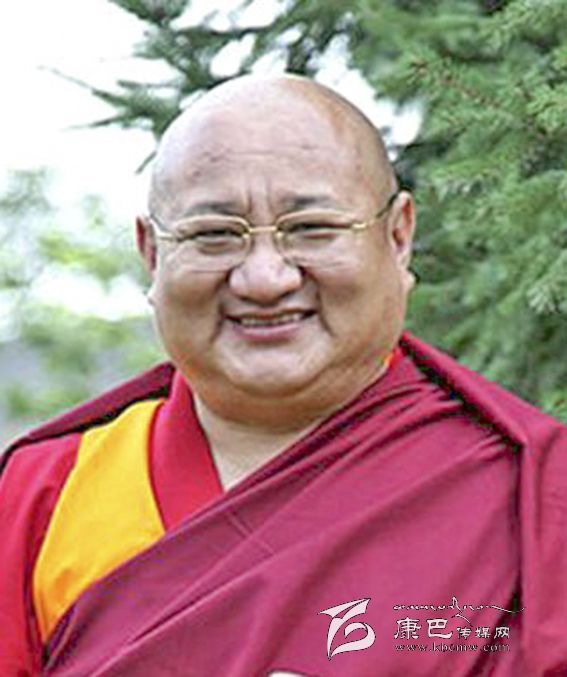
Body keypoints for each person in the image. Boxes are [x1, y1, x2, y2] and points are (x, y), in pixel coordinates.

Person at [1, 74, 566, 677]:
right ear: (152, 253)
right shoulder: (42, 496)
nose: (265, 279)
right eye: (214, 235)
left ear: (398, 237)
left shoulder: (532, 496)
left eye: (312, 228)